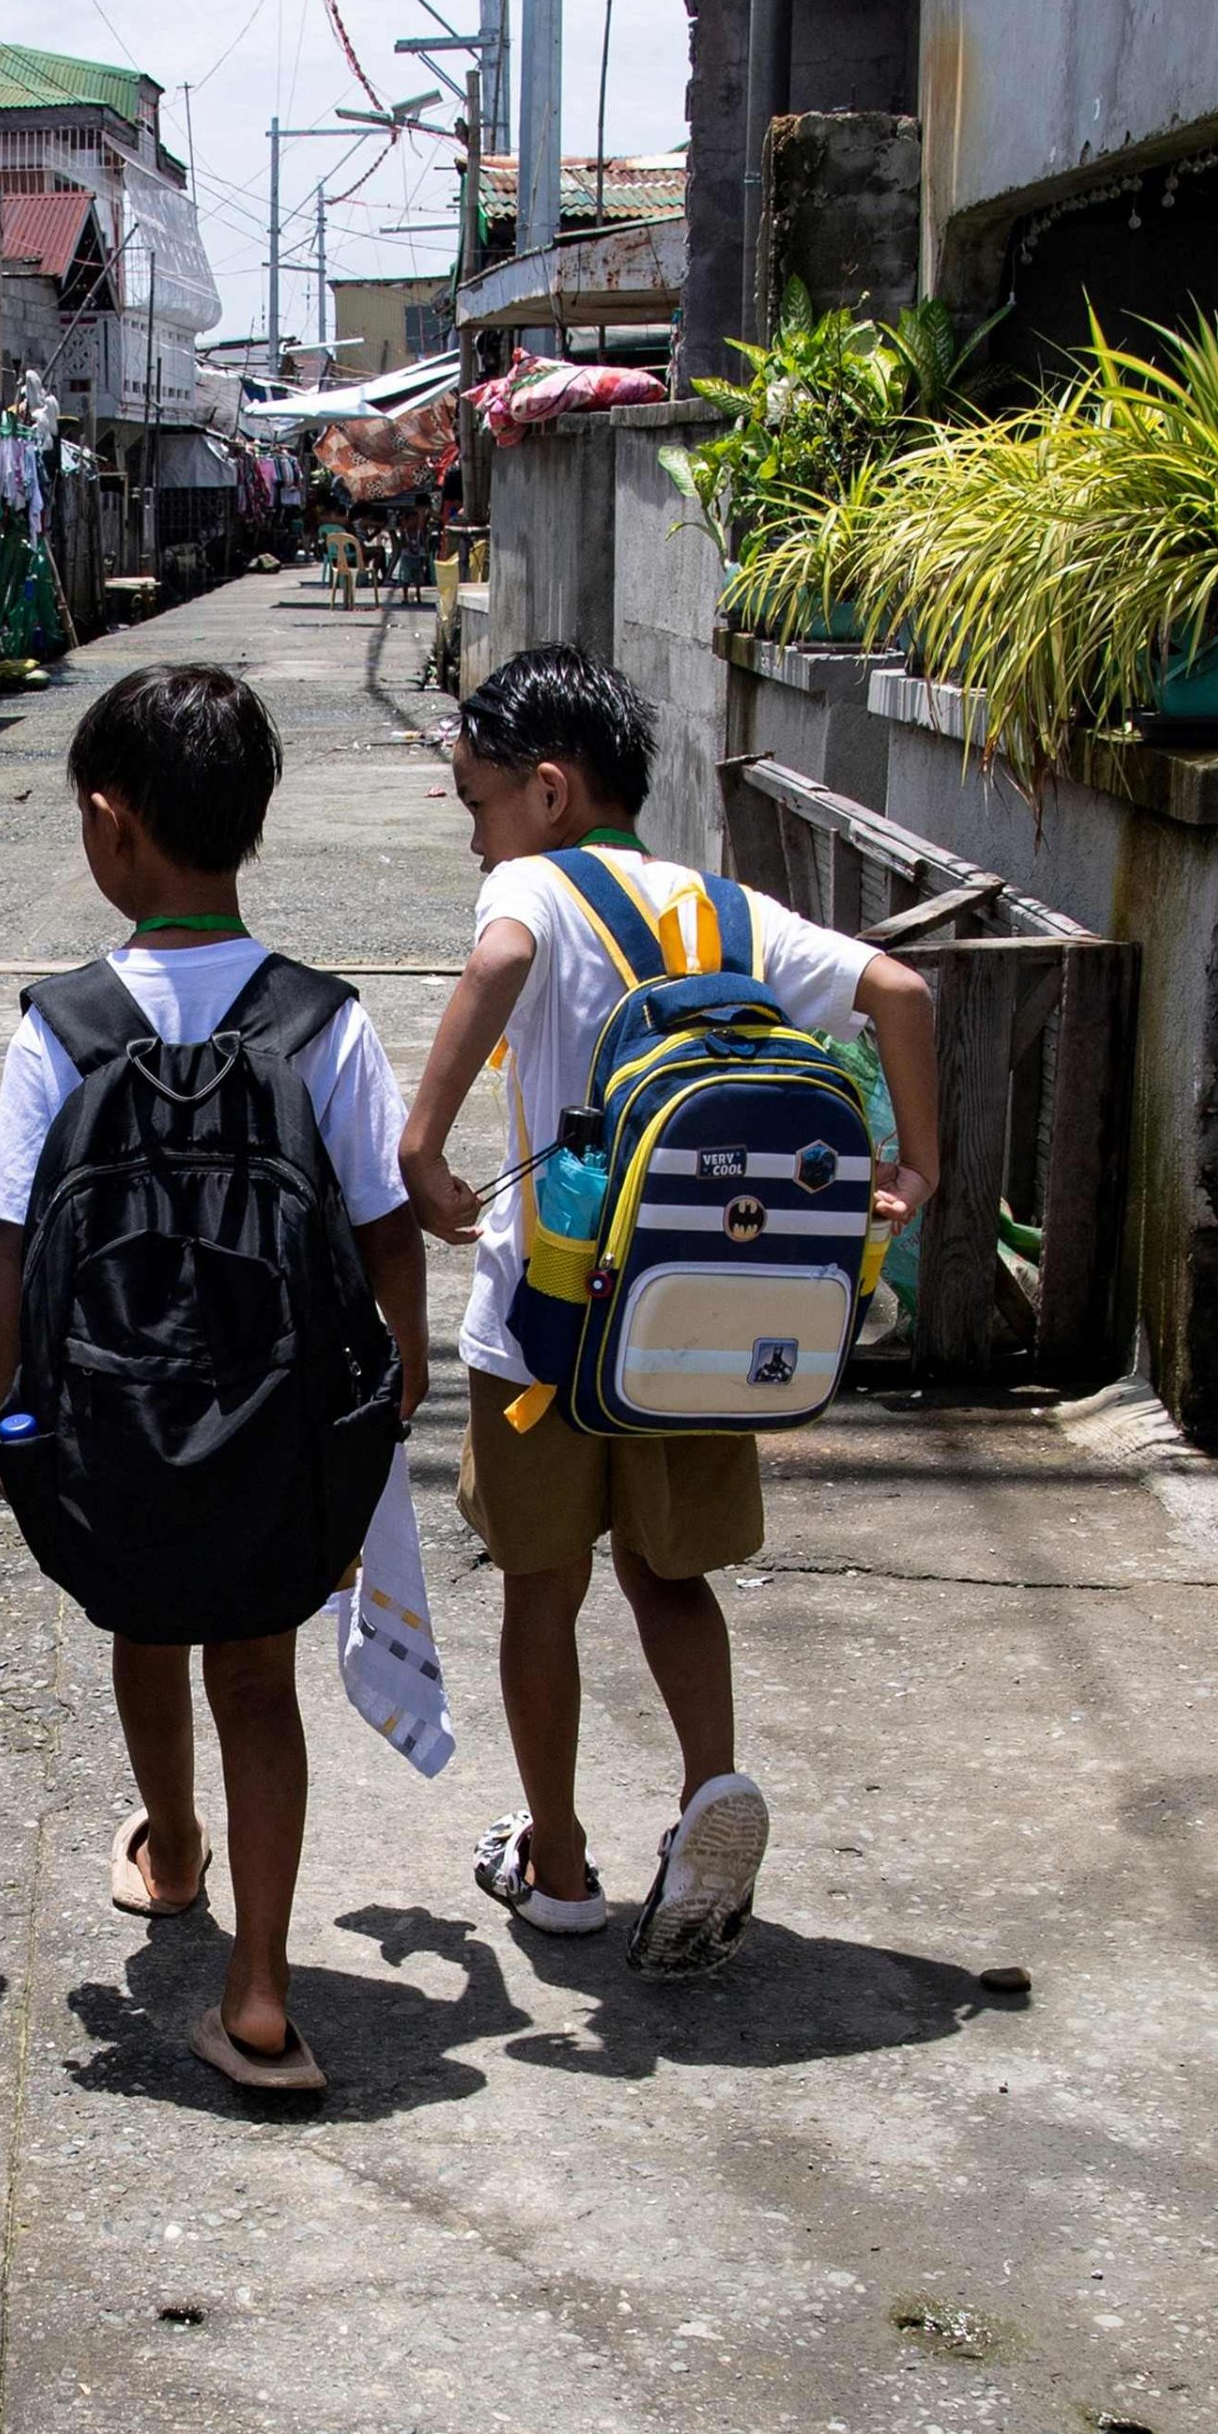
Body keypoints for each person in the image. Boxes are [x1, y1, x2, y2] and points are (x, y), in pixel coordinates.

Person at [394, 644, 942, 1975]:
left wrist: (422, 1146)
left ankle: (561, 1863)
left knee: (540, 1583)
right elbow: (897, 988)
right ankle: (709, 1786)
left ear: (544, 789)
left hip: (545, 1320)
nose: (475, 840)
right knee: (668, 1570)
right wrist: (913, 1163)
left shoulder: (526, 884)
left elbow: (500, 957)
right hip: (698, 1321)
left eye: (475, 805)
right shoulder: (722, 907)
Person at [0, 666, 426, 2090]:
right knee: (256, 1671)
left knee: (142, 1619)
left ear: (111, 826)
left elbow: (12, 1249)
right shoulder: (321, 1020)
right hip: (279, 1418)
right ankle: (256, 1990)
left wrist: (18, 1419)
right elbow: (382, 1234)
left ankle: (170, 1854)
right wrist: (386, 1410)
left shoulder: (61, 1021)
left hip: (111, 1414)